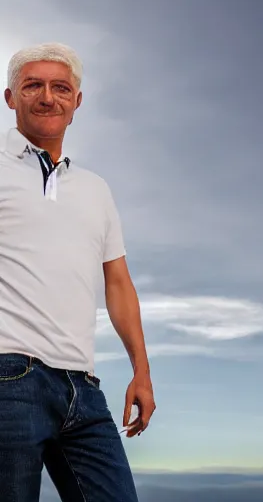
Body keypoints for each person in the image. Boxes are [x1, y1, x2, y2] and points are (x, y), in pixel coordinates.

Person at [0, 42, 155, 501]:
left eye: (61, 87)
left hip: (83, 389)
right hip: (8, 379)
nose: (48, 97)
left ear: (77, 102)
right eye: (33, 85)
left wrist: (141, 372)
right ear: (10, 97)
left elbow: (119, 283)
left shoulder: (95, 189)